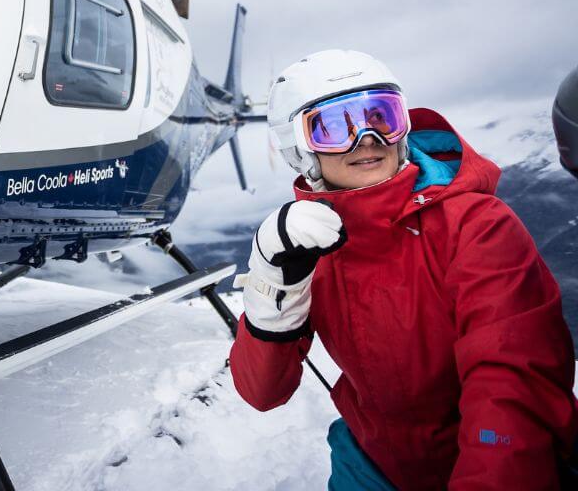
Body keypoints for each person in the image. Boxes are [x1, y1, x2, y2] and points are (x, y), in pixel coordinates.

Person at [229, 49, 578, 489]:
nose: (367, 138)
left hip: (487, 463)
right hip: (371, 461)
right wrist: (273, 292)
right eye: (336, 126)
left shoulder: (473, 225)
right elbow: (263, 393)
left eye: (381, 116)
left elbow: (511, 383)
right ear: (299, 148)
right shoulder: (308, 245)